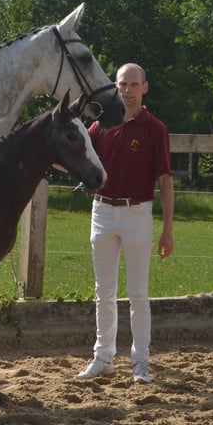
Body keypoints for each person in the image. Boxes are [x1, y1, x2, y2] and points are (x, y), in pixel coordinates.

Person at [75, 63, 174, 384]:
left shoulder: (154, 128)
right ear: (115, 88)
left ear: (145, 87)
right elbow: (76, 153)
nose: (128, 90)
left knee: (138, 294)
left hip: (138, 214)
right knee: (103, 291)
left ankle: (140, 361)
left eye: (134, 84)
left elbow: (165, 179)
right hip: (101, 212)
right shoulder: (100, 126)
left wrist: (168, 229)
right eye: (122, 85)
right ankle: (103, 357)